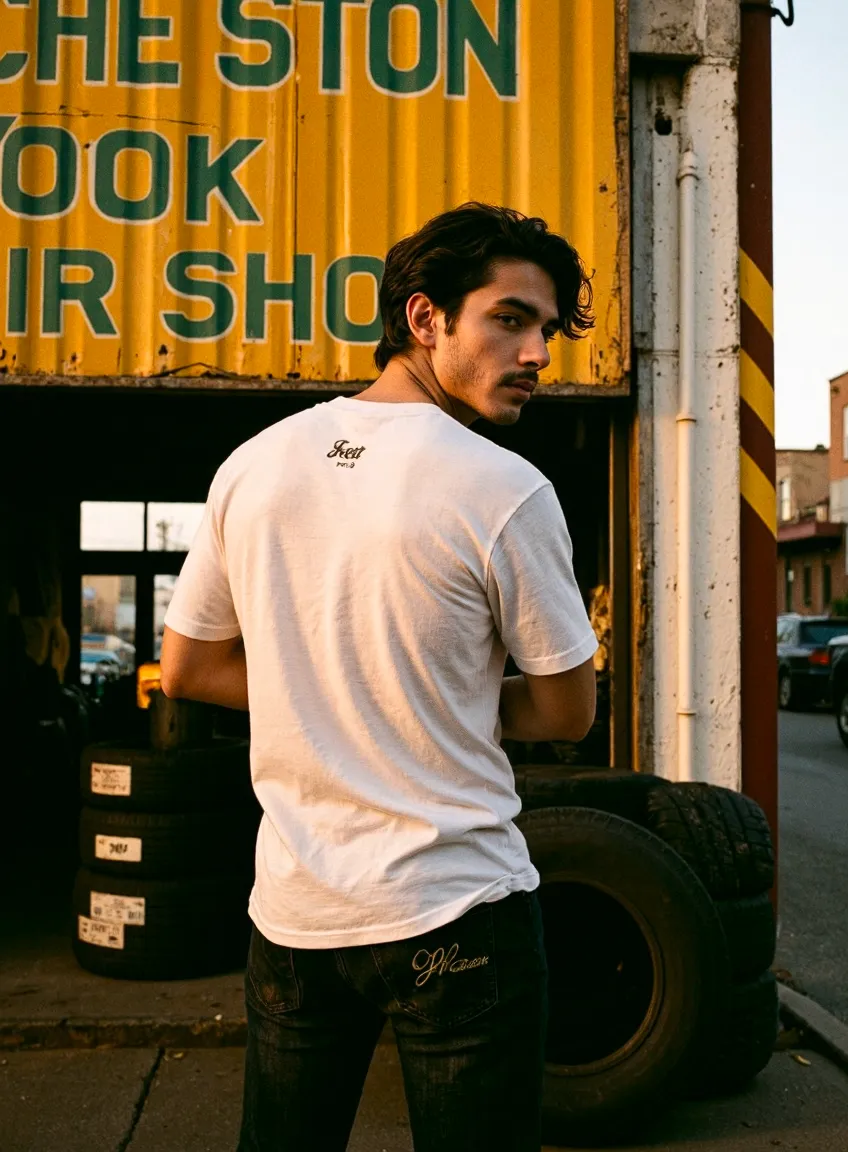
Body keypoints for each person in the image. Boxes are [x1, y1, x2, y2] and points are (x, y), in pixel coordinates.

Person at [160, 202, 599, 1152]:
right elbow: (568, 711)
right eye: (510, 319)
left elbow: (186, 667)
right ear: (425, 318)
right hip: (460, 914)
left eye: (547, 330)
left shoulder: (254, 465)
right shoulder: (504, 487)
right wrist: (437, 700)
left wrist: (314, 687)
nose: (538, 354)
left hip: (296, 916)